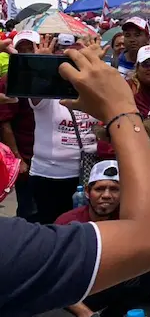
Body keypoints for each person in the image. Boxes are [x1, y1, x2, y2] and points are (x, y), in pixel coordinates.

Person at [0, 42, 150, 317]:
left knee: (77, 241)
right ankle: (47, 315)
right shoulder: (11, 246)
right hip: (48, 175)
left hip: (81, 169)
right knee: (54, 239)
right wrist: (121, 111)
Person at [31, 160, 150, 317]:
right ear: (87, 192)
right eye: (100, 188)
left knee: (145, 273)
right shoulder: (68, 223)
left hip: (85, 286)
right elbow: (54, 280)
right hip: (51, 294)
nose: (106, 195)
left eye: (114, 189)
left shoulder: (123, 222)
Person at [28, 91, 98, 224]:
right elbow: (32, 84)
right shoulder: (48, 98)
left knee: (82, 224)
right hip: (50, 176)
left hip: (88, 173)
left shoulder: (93, 93)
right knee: (51, 225)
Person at [0, 30, 40, 221]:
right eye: (20, 48)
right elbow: (5, 123)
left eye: (29, 48)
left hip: (52, 160)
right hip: (27, 156)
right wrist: (18, 159)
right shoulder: (9, 81)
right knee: (28, 209)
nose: (25, 52)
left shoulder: (54, 77)